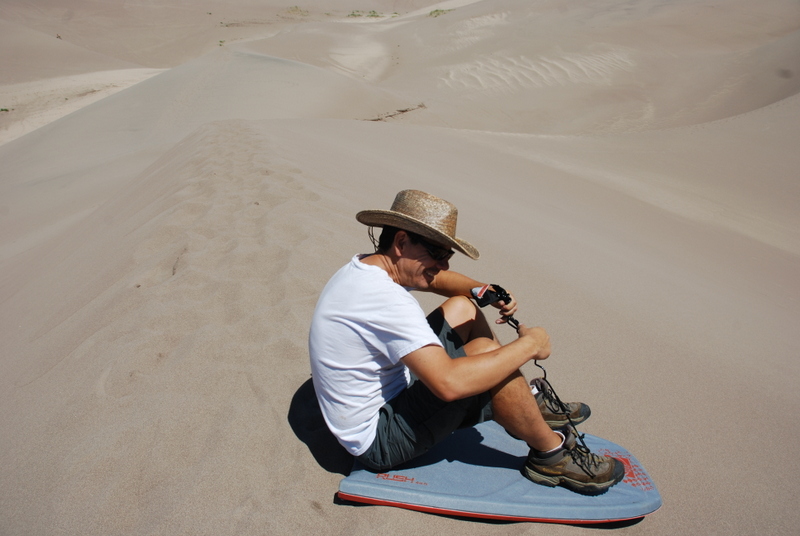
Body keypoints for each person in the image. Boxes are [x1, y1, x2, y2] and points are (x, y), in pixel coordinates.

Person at [309, 189, 624, 495]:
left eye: (447, 255)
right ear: (402, 241)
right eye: (436, 253)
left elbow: (440, 280)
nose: (443, 264)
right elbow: (448, 385)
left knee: (464, 307)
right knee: (490, 358)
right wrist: (530, 345)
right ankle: (551, 456)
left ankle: (521, 400)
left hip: (391, 393)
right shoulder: (386, 300)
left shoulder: (367, 267)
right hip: (379, 439)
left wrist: (481, 290)